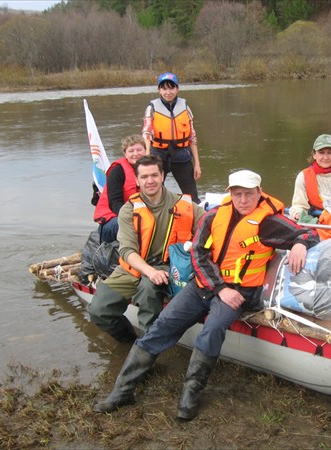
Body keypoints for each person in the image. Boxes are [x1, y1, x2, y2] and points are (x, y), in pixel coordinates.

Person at [92, 169, 320, 420]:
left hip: (239, 291)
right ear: (230, 194)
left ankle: (190, 395)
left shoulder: (269, 222)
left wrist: (299, 243)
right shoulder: (212, 217)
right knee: (163, 325)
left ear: (259, 193)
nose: (243, 200)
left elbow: (309, 233)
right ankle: (123, 391)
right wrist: (219, 288)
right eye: (238, 194)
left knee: (211, 332)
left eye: (249, 194)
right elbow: (198, 254)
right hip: (204, 285)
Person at [87, 155, 205, 343]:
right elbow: (127, 251)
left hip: (167, 266)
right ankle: (131, 344)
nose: (150, 181)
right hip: (132, 268)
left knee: (148, 291)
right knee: (99, 311)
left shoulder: (185, 205)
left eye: (154, 175)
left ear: (162, 176)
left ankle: (148, 348)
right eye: (144, 177)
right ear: (136, 180)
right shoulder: (128, 209)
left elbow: (213, 225)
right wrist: (149, 271)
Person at [142, 72, 201, 203]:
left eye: (171, 88)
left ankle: (194, 218)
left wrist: (197, 164)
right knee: (154, 195)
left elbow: (192, 136)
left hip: (182, 154)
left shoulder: (185, 107)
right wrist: (147, 157)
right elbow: (147, 132)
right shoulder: (151, 108)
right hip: (158, 154)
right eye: (164, 88)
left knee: (192, 197)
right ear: (159, 90)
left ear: (177, 88)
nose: (168, 92)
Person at [93, 135, 144, 243]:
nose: (136, 154)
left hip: (141, 215)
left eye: (139, 150)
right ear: (125, 154)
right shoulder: (117, 171)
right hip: (112, 221)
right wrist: (134, 216)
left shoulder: (150, 169)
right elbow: (114, 202)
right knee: (139, 223)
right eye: (131, 151)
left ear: (145, 150)